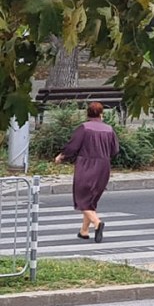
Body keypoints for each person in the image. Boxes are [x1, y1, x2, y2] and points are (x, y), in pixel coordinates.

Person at [55, 102, 120, 242]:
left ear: (87, 114)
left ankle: (97, 223)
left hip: (86, 164)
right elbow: (115, 150)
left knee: (81, 198)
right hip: (104, 166)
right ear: (102, 114)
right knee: (91, 199)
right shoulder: (109, 129)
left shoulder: (84, 128)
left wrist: (62, 156)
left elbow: (73, 146)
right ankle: (84, 231)